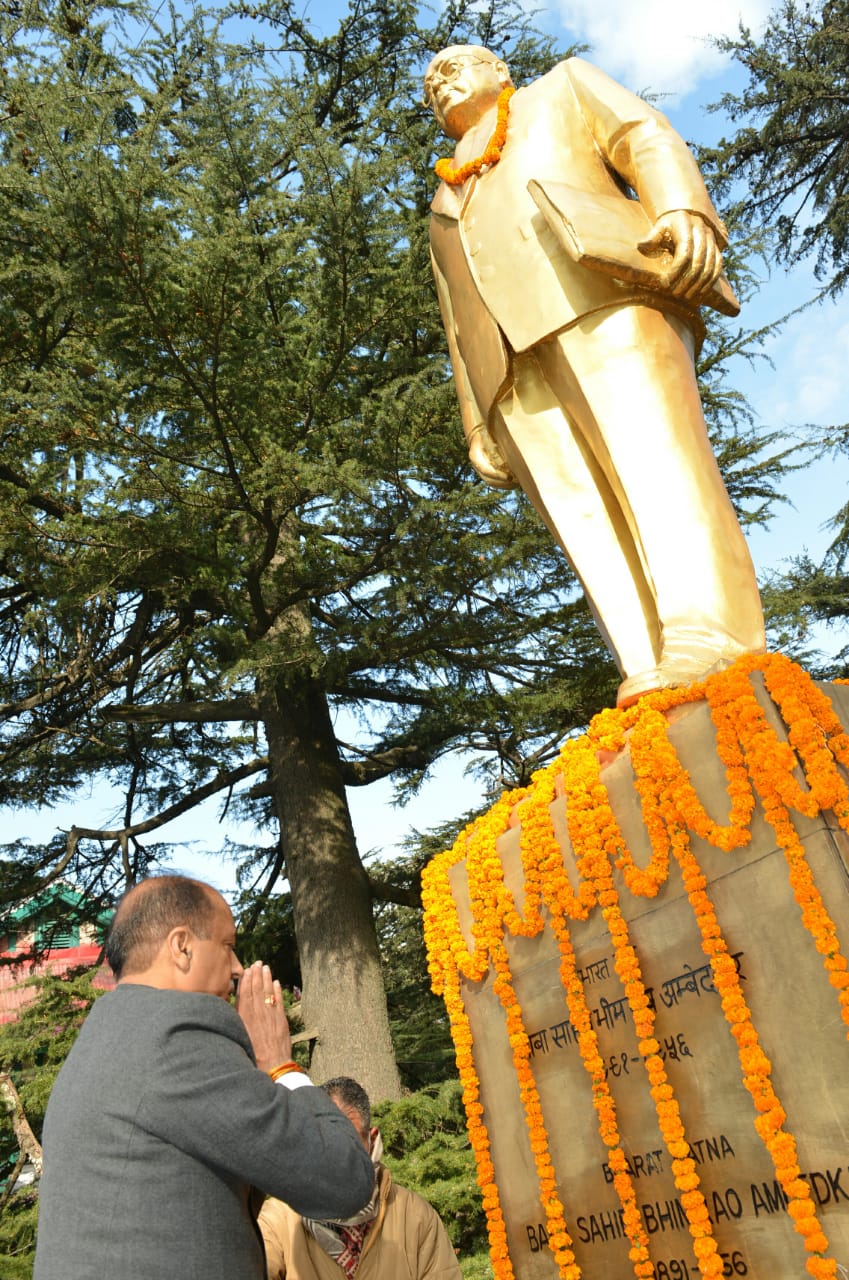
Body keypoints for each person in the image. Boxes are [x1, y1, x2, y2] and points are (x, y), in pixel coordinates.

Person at [424, 45, 766, 706]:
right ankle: (643, 662)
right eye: (430, 84)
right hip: (509, 370)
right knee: (578, 515)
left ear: (500, 71)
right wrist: (475, 421)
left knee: (657, 465)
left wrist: (682, 212)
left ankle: (711, 637)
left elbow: (643, 135)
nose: (441, 83)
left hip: (604, 301)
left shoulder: (561, 88)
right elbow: (452, 319)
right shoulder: (443, 197)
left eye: (455, 66)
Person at [33, 875, 374, 1280]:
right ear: (182, 947)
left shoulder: (102, 1037)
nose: (237, 967)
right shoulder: (180, 1038)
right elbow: (342, 1178)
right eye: (228, 946)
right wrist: (279, 1063)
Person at [259, 1076, 461, 1279]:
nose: (337, 1158)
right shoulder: (278, 1220)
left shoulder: (415, 1216)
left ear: (372, 1141)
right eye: (325, 1142)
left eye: (349, 1143)